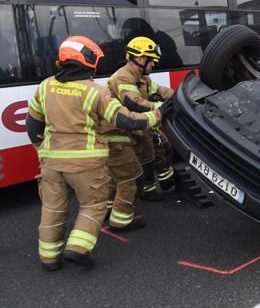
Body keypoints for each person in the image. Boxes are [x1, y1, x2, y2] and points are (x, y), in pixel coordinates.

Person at [26, 36, 162, 270]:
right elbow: (126, 121)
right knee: (93, 205)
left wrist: (42, 150)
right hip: (85, 163)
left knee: (52, 208)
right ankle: (77, 249)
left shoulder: (45, 86)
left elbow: (33, 124)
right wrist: (156, 116)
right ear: (89, 61)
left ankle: (49, 259)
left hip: (51, 162)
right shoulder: (95, 92)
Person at [108, 36, 175, 203]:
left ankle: (151, 189)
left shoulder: (143, 77)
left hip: (140, 126)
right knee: (129, 168)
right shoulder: (122, 77)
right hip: (122, 129)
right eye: (151, 61)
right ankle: (116, 203)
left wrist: (178, 97)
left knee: (154, 154)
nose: (153, 64)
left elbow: (161, 91)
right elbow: (133, 103)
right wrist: (160, 108)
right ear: (140, 58)